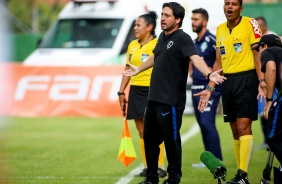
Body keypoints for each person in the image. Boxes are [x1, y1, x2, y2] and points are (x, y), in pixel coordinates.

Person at [122, 2, 226, 184]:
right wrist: (139, 69)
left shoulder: (183, 38)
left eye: (167, 15)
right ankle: (151, 178)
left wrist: (209, 74)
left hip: (170, 100)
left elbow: (196, 58)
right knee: (149, 140)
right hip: (153, 98)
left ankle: (174, 178)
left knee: (171, 140)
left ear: (177, 19)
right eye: (162, 14)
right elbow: (156, 55)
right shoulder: (162, 36)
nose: (162, 18)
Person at [194, 0, 266, 183]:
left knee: (243, 126)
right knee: (235, 130)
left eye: (234, 4)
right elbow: (218, 63)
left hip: (247, 79)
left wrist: (261, 80)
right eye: (227, 3)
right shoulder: (219, 29)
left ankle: (242, 174)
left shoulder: (250, 23)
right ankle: (241, 175)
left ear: (241, 8)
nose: (230, 7)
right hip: (228, 82)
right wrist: (210, 88)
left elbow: (257, 55)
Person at [118, 11, 167, 178]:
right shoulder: (132, 45)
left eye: (138, 25)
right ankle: (148, 167)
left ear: (150, 27)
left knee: (153, 130)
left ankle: (160, 166)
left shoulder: (157, 44)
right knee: (141, 131)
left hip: (152, 90)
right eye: (135, 25)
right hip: (136, 90)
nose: (135, 28)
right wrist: (121, 91)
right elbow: (127, 69)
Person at [189, 8, 223, 168]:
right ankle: (210, 159)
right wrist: (191, 70)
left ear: (204, 21)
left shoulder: (212, 40)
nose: (193, 22)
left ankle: (218, 159)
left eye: (196, 19)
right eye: (192, 19)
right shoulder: (194, 42)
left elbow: (220, 62)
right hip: (195, 88)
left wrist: (210, 73)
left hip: (208, 88)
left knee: (207, 122)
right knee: (202, 123)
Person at [252, 34, 282, 183]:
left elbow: (271, 69)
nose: (259, 52)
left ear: (264, 46)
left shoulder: (268, 52)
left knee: (272, 138)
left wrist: (269, 100)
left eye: (259, 49)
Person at [255, 16, 278, 150]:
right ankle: (267, 140)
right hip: (262, 83)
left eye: (257, 26)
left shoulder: (270, 40)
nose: (255, 29)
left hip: (273, 82)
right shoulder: (257, 41)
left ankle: (273, 140)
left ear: (264, 26)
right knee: (264, 113)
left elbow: (272, 66)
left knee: (273, 110)